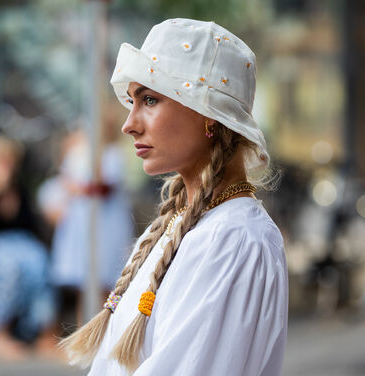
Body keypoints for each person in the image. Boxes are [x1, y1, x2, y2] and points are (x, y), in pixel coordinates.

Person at [59, 18, 288, 375]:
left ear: (207, 115)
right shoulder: (180, 229)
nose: (129, 123)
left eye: (150, 99)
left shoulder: (234, 239)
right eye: (133, 101)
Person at [0, 134, 57, 359]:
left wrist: (9, 196)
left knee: (40, 263)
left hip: (24, 247)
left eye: (8, 161)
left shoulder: (21, 192)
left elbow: (28, 224)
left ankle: (45, 332)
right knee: (10, 267)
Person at [47, 126, 133, 327]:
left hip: (108, 228)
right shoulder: (76, 155)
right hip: (83, 228)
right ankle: (83, 334)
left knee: (111, 284)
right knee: (85, 287)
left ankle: (110, 330)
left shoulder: (112, 155)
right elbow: (65, 183)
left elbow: (103, 187)